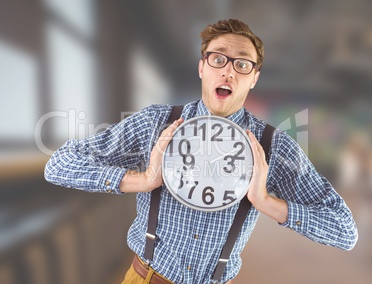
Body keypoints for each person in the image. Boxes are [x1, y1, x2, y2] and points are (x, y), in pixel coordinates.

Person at [44, 19, 358, 284]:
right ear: (202, 67)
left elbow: (344, 231)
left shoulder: (272, 147)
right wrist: (144, 179)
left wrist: (266, 202)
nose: (229, 72)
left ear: (254, 78)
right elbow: (59, 164)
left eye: (243, 63)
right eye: (218, 58)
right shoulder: (156, 123)